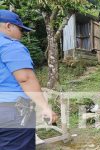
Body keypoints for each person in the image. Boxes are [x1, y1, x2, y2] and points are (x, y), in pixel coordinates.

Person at [0, 10, 58, 149]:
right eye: (20, 29)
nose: (21, 34)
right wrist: (45, 107)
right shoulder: (11, 46)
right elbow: (25, 79)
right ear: (8, 26)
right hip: (11, 110)